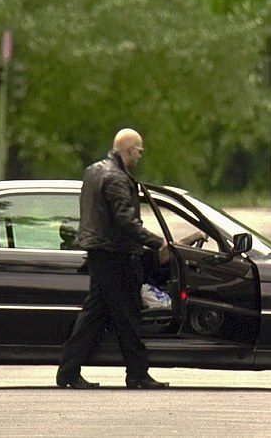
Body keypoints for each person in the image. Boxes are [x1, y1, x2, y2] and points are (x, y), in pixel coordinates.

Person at [56, 128, 170, 390]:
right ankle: (137, 374)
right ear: (130, 150)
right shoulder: (117, 178)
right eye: (139, 151)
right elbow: (126, 221)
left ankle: (68, 371)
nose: (140, 156)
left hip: (100, 254)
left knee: (94, 315)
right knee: (128, 315)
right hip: (116, 255)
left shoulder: (93, 171)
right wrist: (158, 243)